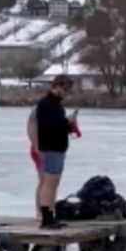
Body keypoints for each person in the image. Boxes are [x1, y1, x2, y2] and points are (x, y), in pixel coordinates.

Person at [33, 75, 78, 229]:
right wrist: (66, 122)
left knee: (53, 183)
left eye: (68, 90)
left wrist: (69, 124)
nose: (66, 93)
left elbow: (59, 127)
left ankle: (50, 215)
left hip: (57, 148)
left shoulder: (57, 106)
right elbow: (48, 127)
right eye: (65, 89)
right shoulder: (46, 104)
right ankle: (46, 217)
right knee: (48, 184)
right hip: (50, 149)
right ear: (56, 86)